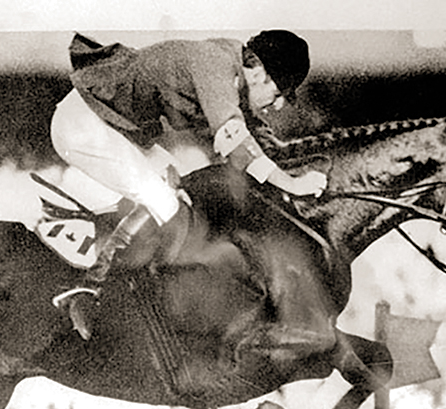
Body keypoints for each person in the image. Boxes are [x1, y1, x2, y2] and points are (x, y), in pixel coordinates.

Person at [50, 30, 327, 340]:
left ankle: (131, 286)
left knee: (178, 186)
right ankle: (89, 289)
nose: (278, 105)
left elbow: (258, 136)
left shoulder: (233, 68)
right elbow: (238, 146)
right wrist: (291, 183)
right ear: (260, 73)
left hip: (111, 124)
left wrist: (302, 167)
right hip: (84, 124)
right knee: (163, 201)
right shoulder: (215, 65)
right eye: (279, 93)